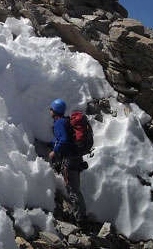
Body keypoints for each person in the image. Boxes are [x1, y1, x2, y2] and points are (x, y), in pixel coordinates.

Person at [48, 98, 88, 229]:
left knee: (73, 191)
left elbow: (63, 140)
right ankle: (81, 217)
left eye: (51, 109)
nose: (50, 111)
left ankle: (81, 221)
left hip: (69, 161)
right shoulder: (65, 121)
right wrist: (49, 144)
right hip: (76, 160)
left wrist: (54, 152)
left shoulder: (59, 123)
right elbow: (62, 140)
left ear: (55, 110)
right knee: (76, 190)